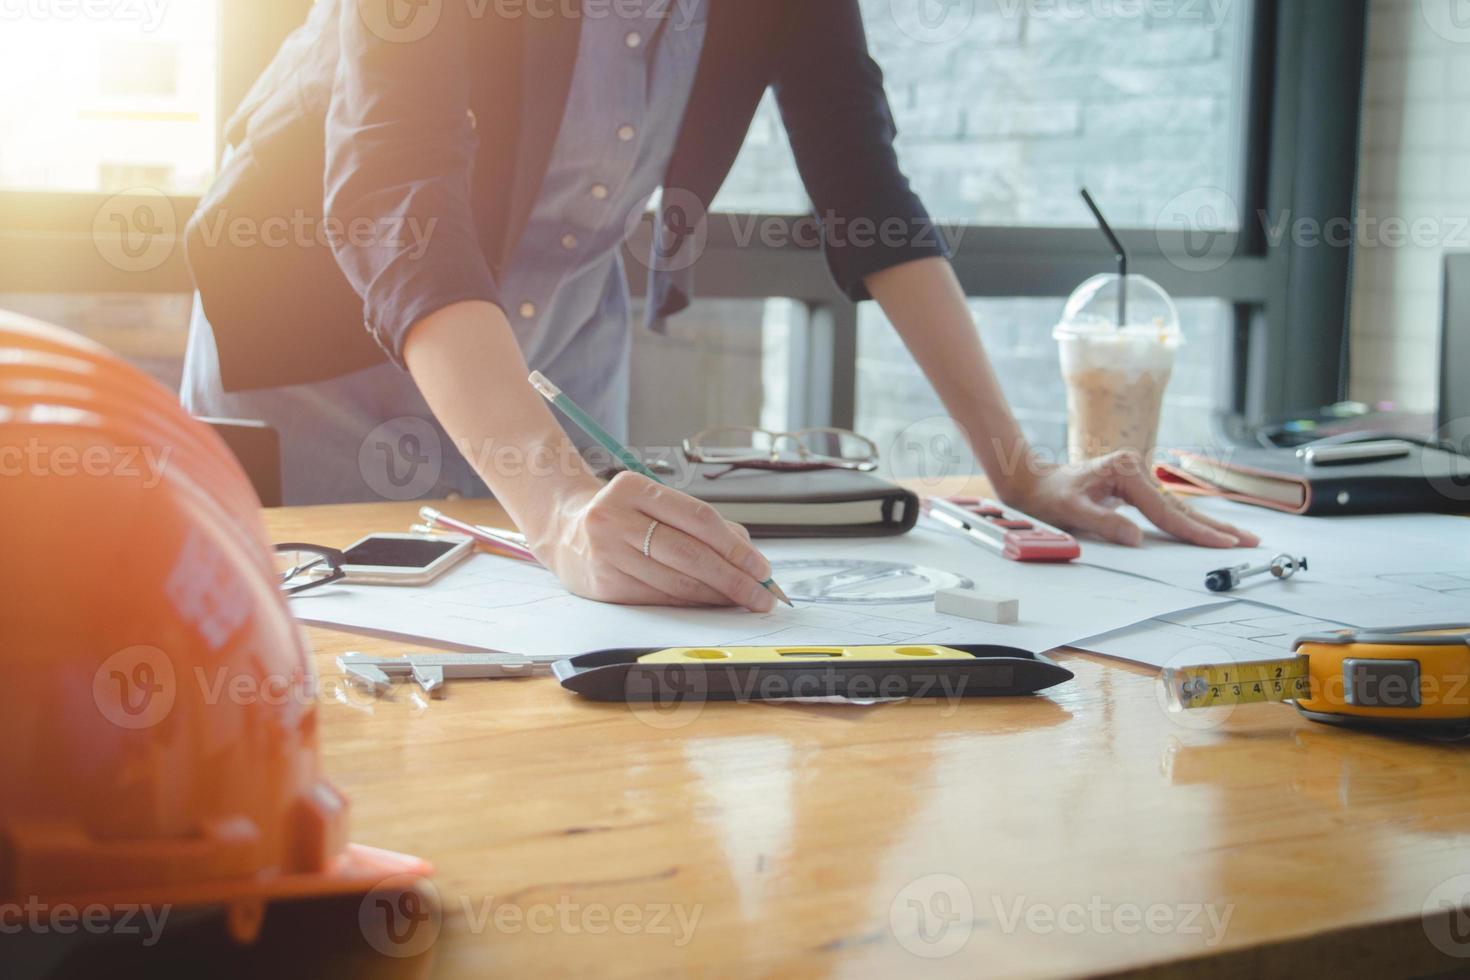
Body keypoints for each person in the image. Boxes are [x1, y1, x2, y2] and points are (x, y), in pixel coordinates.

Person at [182, 0, 1256, 614]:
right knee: (332, 653)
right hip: (320, 356)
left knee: (558, 650)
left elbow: (865, 185)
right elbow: (393, 191)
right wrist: (553, 507)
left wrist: (1017, 465)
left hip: (553, 353)